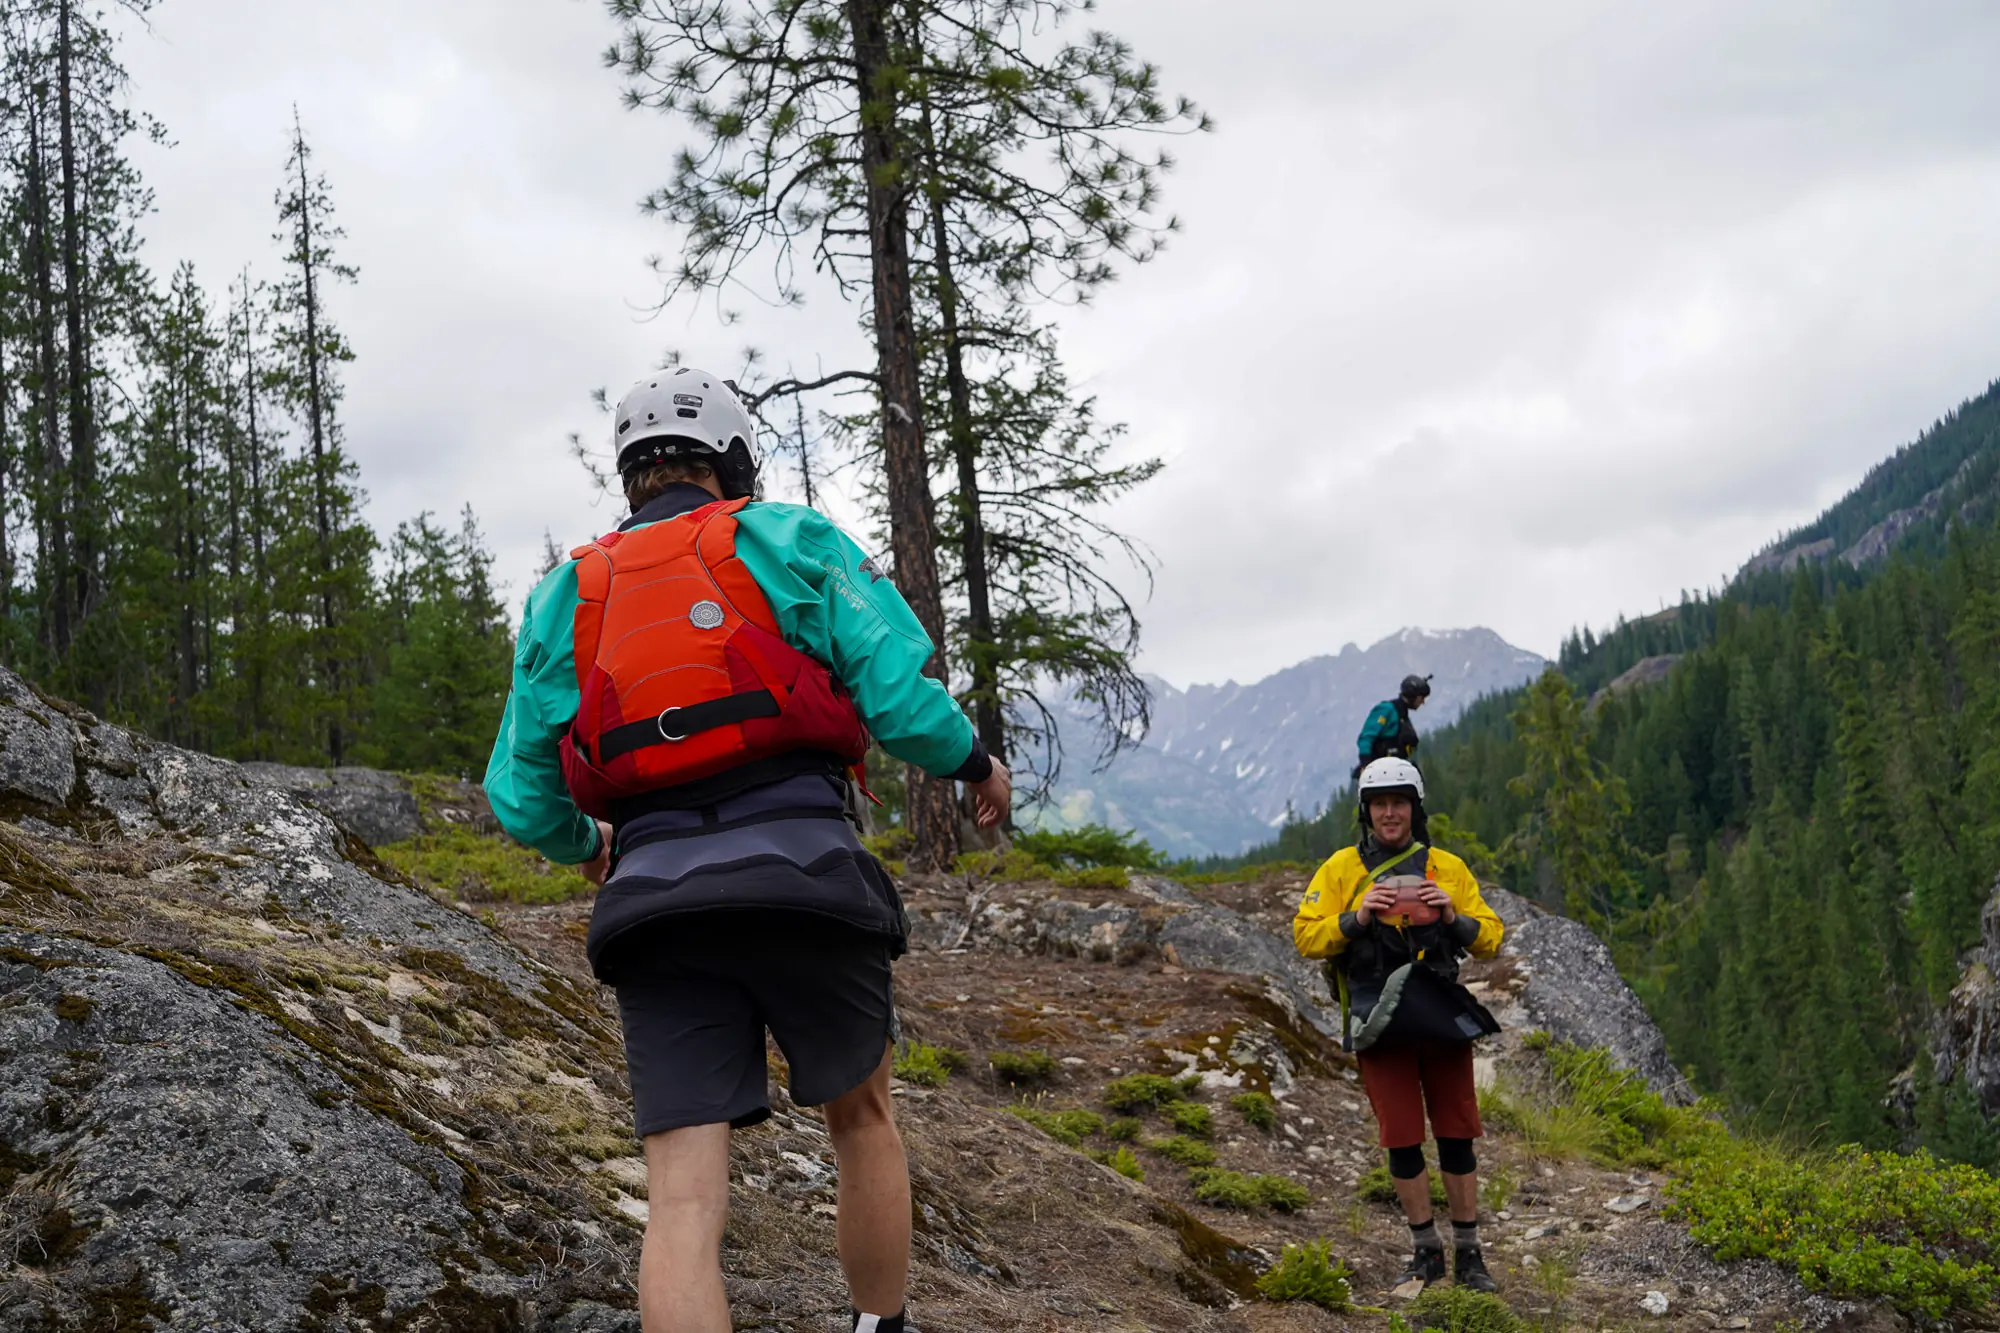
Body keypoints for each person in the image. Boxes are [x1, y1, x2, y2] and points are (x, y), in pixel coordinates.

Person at [484, 367, 1011, 1333]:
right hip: (807, 878)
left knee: (682, 1197)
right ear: (731, 461)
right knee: (862, 1122)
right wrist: (974, 762)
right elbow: (897, 698)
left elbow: (518, 793)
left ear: (631, 473)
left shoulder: (569, 591)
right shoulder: (789, 537)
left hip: (652, 905)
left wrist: (588, 846)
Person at [1293, 757, 1504, 1292]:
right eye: (1380, 804)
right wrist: (1357, 916)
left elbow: (1492, 938)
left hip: (1436, 1012)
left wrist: (1452, 915)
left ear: (1415, 808)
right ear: (1367, 812)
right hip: (1377, 1015)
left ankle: (1469, 1253)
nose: (1390, 813)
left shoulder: (1447, 868)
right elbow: (1305, 936)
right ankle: (1425, 1251)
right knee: (1402, 1137)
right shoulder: (1341, 869)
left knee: (1457, 1133)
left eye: (1399, 802)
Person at [1354, 673, 1432, 776]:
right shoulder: (1387, 709)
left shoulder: (1402, 715)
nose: (1423, 702)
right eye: (1421, 698)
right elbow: (1366, 737)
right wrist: (1366, 766)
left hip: (1395, 773)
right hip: (1377, 773)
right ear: (1412, 695)